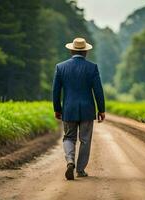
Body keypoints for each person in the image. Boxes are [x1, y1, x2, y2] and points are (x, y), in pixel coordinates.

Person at [52, 37, 105, 180]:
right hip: (87, 110)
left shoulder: (60, 67)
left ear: (71, 50)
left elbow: (56, 92)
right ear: (86, 52)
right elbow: (98, 91)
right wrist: (101, 109)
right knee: (85, 140)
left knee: (69, 137)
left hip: (69, 109)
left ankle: (70, 161)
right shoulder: (92, 67)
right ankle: (80, 170)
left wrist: (57, 109)